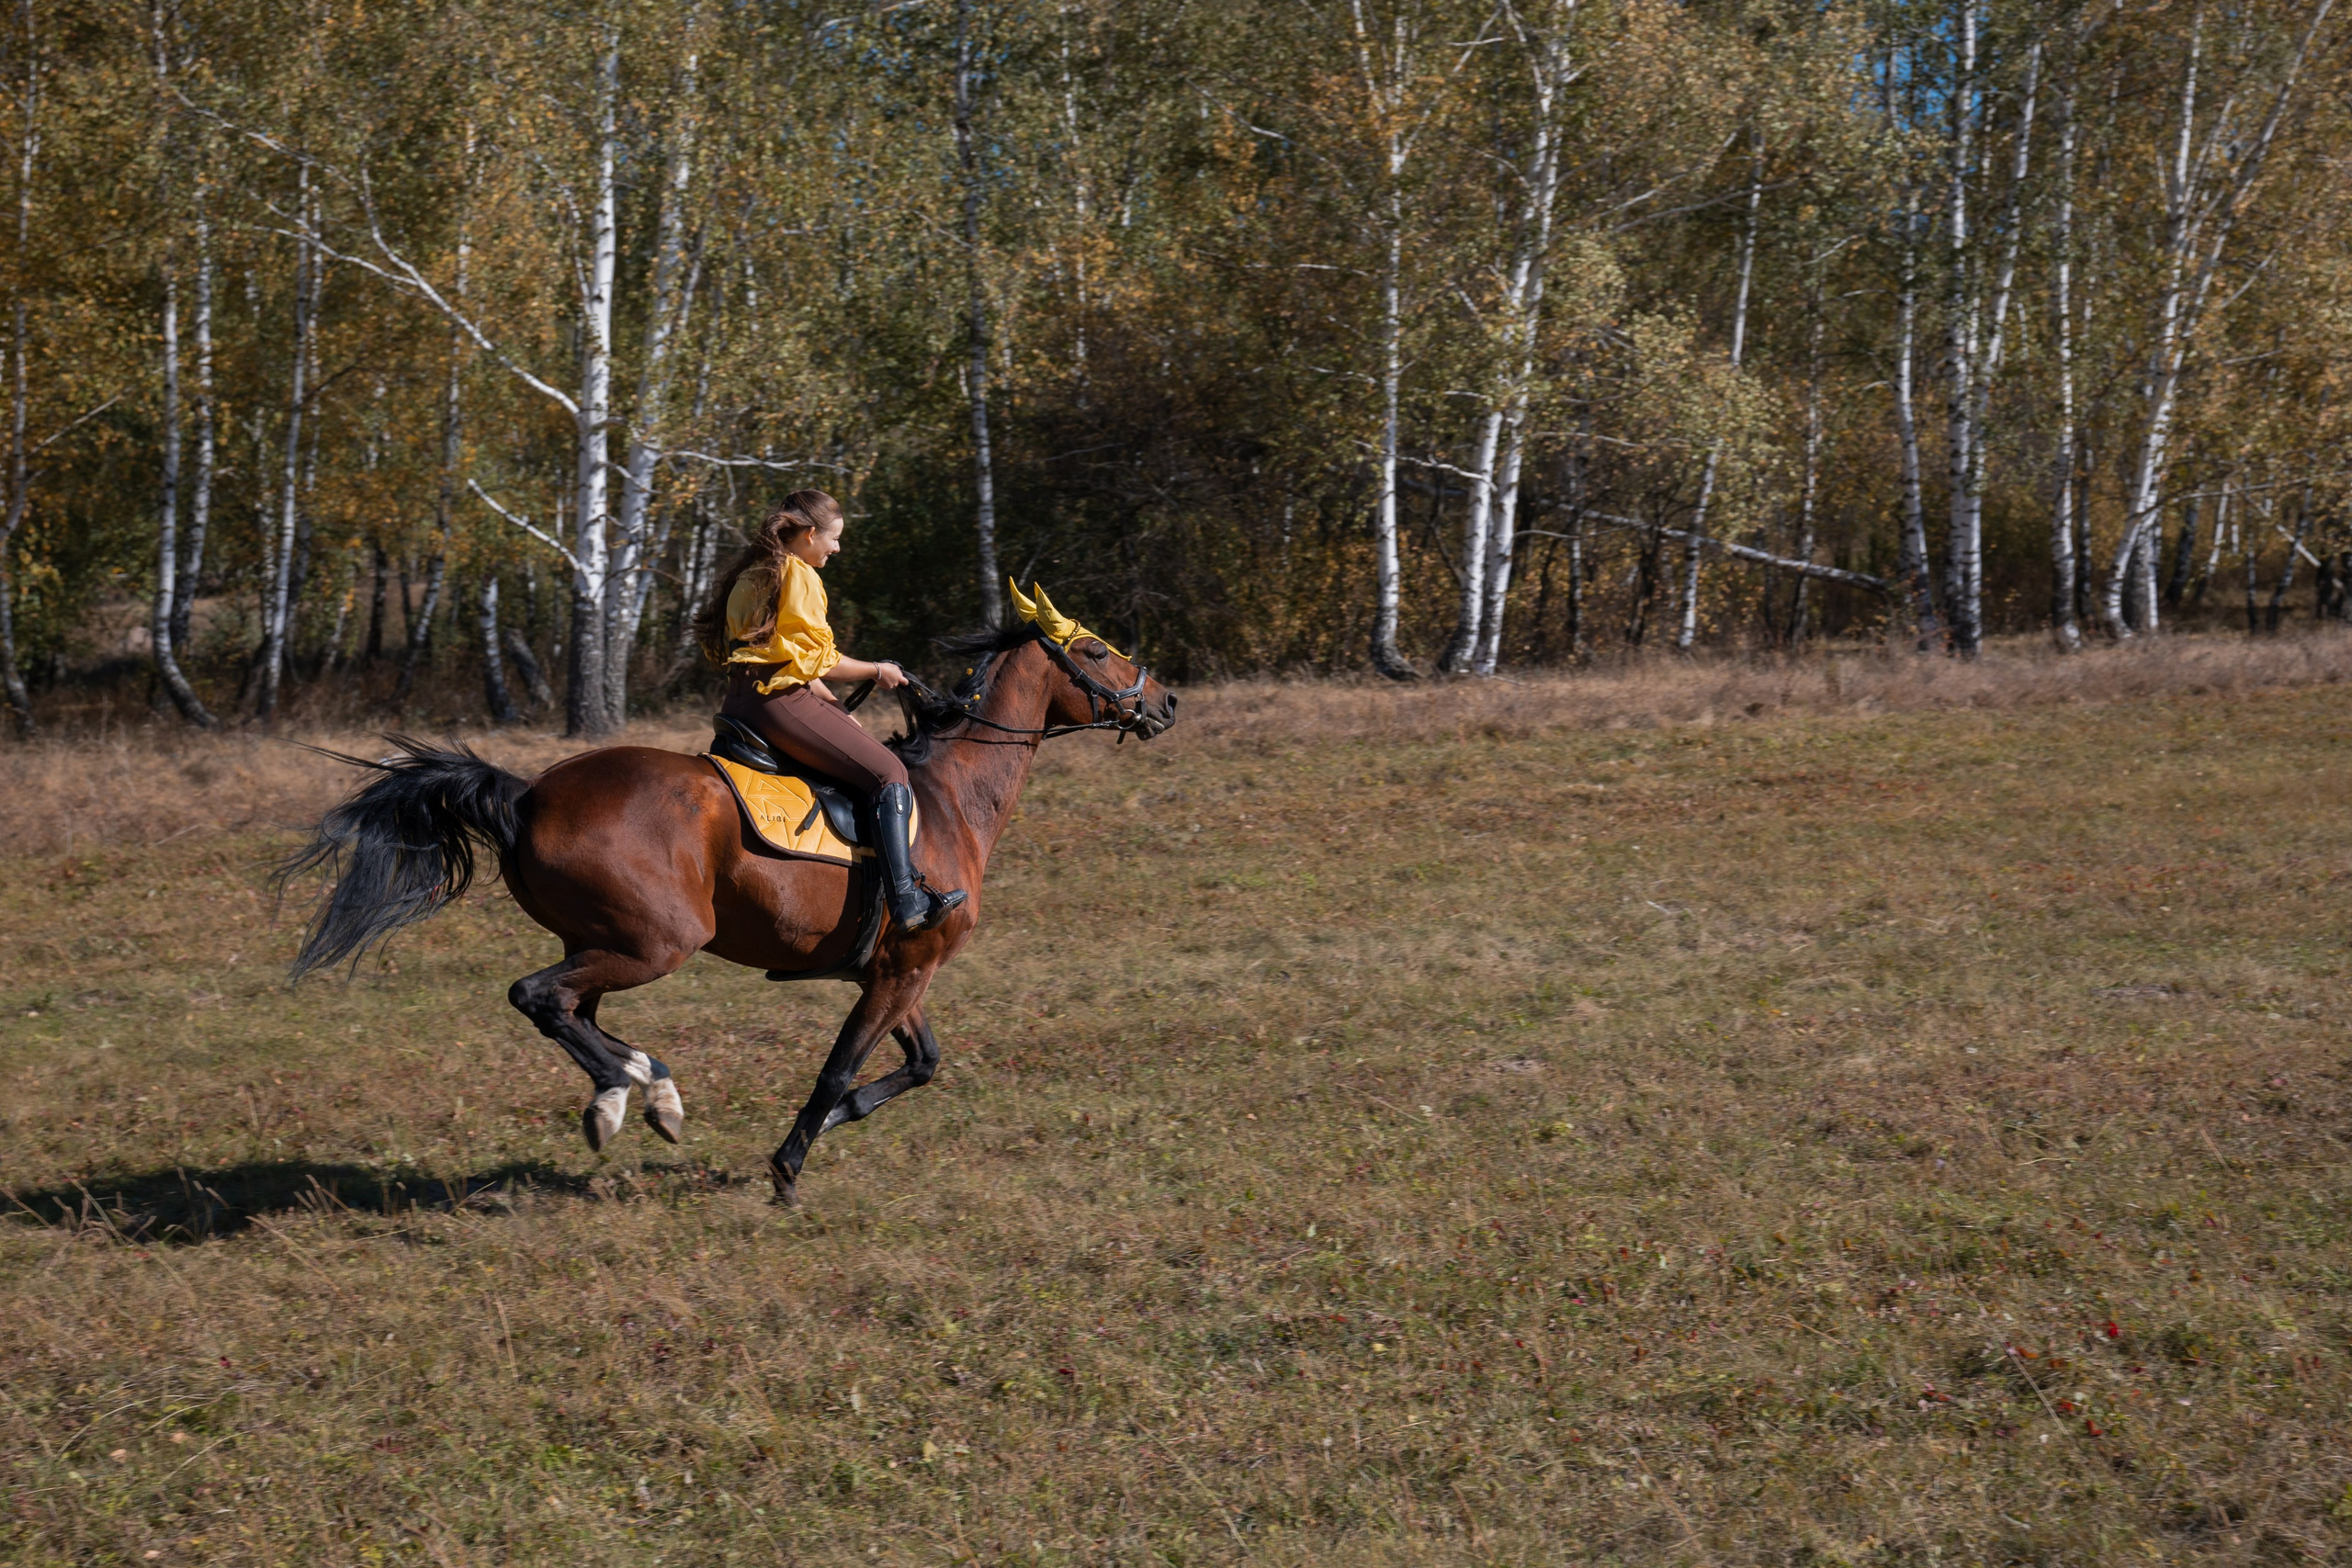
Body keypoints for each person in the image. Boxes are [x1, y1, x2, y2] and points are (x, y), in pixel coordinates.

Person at [691, 490, 967, 933]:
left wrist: (836, 709)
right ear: (810, 534)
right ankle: (907, 899)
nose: (836, 548)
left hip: (745, 699)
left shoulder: (757, 571)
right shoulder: (798, 575)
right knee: (889, 773)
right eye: (834, 538)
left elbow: (791, 657)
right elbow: (823, 662)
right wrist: (877, 671)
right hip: (781, 702)